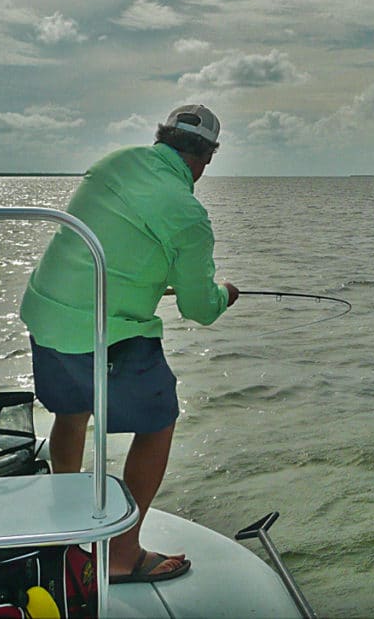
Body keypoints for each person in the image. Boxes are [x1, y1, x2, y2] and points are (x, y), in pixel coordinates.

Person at [20, 104, 239, 583]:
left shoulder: (114, 163)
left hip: (46, 315)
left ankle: (66, 520)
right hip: (103, 334)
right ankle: (121, 555)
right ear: (204, 160)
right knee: (160, 423)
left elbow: (113, 243)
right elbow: (199, 307)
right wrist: (227, 295)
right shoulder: (188, 214)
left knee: (72, 412)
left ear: (162, 137)